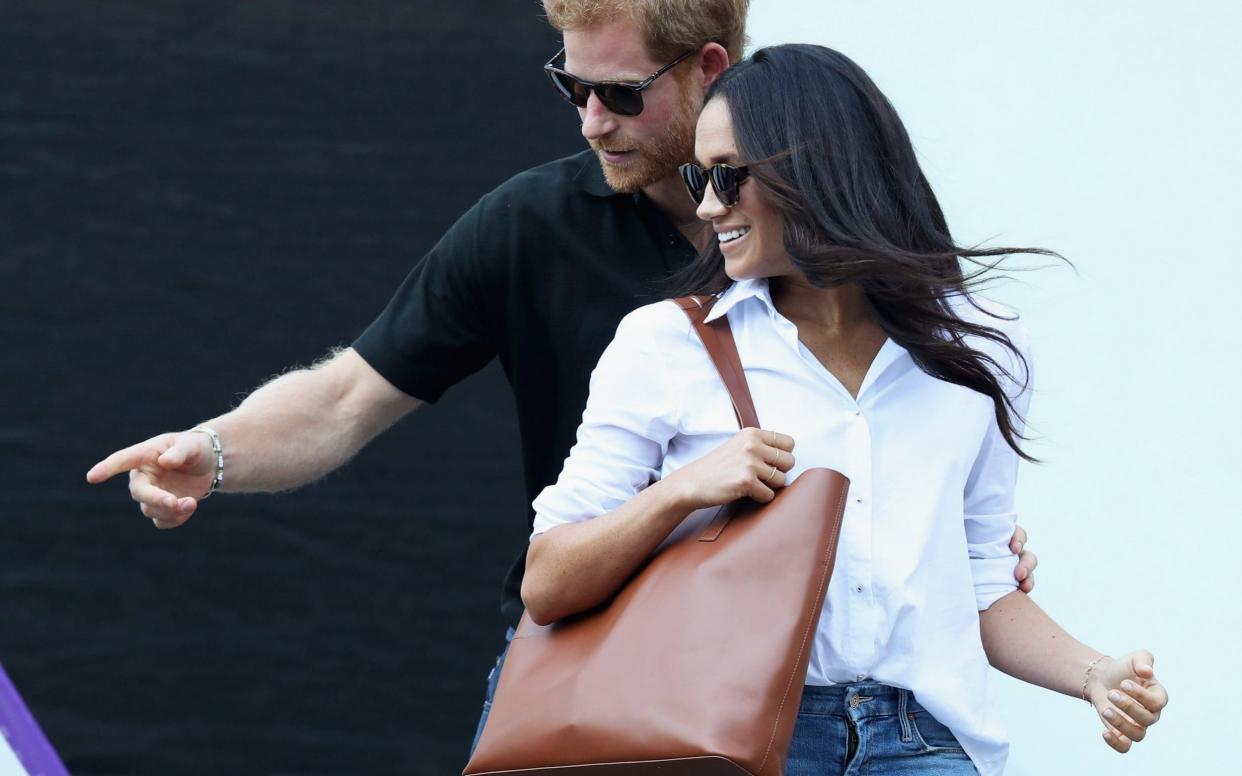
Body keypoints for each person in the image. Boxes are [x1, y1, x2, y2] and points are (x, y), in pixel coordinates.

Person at [83, 0, 1037, 750]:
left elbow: (916, 464)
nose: (590, 121)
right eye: (569, 86)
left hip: (793, 696)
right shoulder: (531, 225)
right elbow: (345, 397)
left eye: (620, 94)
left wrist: (937, 558)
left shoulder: (838, 237)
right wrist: (208, 453)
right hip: (599, 662)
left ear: (711, 70)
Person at [520, 44, 1167, 775]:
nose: (707, 205)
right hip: (740, 734)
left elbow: (984, 580)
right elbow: (548, 580)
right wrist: (682, 491)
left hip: (929, 742)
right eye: (701, 176)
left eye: (728, 175)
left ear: (819, 169)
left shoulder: (978, 347)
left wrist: (1093, 675)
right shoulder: (666, 345)